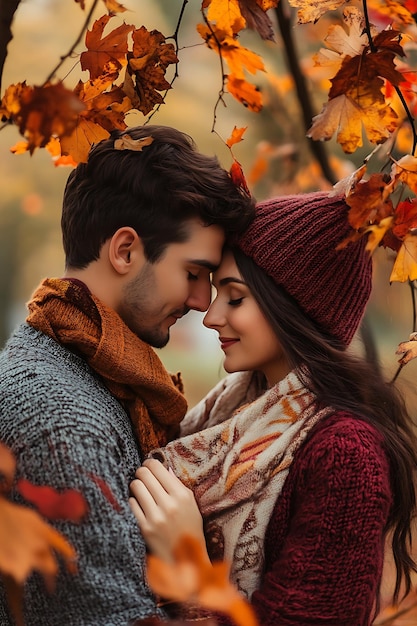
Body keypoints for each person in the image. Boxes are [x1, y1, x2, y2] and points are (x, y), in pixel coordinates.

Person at [0, 125, 255, 625]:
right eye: (192, 273)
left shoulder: (80, 372)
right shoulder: (66, 425)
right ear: (124, 251)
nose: (203, 303)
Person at [129, 191, 417, 626]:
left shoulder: (345, 456)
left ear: (294, 309)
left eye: (236, 297)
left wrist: (190, 568)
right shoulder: (229, 410)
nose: (210, 317)